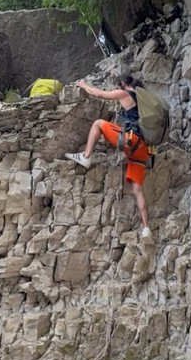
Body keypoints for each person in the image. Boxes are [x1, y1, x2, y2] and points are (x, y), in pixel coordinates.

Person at [65, 74, 152, 239]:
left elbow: (101, 94)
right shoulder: (142, 98)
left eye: (117, 86)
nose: (116, 89)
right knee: (137, 190)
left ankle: (86, 156)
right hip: (143, 150)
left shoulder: (125, 93)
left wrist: (84, 85)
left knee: (98, 123)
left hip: (131, 140)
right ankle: (146, 228)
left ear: (122, 84)